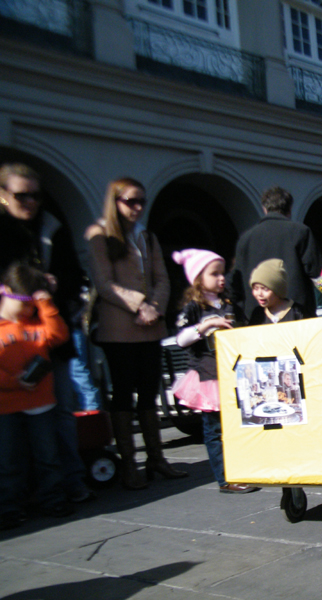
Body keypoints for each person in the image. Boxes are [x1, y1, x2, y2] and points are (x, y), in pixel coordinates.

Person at [0, 163, 94, 504]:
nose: (30, 201)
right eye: (21, 195)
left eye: (35, 195)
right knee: (11, 425)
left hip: (51, 335)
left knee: (61, 413)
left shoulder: (52, 225)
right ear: (3, 195)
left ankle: (67, 483)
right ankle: (17, 492)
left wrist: (57, 283)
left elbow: (74, 275)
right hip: (8, 340)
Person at [85, 177, 187, 489]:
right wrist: (139, 305)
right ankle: (131, 463)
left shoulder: (147, 237)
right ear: (115, 201)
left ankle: (156, 458)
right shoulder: (99, 234)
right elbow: (104, 282)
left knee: (149, 392)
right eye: (131, 201)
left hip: (150, 328)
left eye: (141, 200)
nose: (138, 207)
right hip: (119, 330)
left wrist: (154, 307)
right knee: (123, 396)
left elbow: (163, 278)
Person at [171, 249, 257, 494]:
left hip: (234, 375)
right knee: (215, 430)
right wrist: (205, 325)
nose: (221, 278)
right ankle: (225, 478)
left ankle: (243, 469)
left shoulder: (229, 305)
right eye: (214, 273)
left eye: (222, 273)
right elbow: (181, 339)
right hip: (209, 377)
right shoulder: (194, 308)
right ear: (198, 278)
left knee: (240, 426)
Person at [0, 264, 72, 530]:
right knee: (7, 460)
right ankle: (9, 507)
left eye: (34, 304)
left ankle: (52, 499)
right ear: (7, 292)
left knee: (47, 456)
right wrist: (11, 382)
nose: (31, 310)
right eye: (28, 304)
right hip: (5, 405)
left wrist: (46, 302)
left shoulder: (39, 321)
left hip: (40, 403)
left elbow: (59, 334)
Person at [228, 187, 321, 319]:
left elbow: (235, 282)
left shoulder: (246, 239)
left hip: (257, 318)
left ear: (264, 209)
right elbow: (316, 271)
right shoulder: (301, 232)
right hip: (296, 315)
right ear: (289, 209)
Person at [248, 259, 304, 325]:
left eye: (265, 289)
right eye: (256, 289)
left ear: (277, 289)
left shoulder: (296, 312)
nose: (259, 293)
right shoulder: (258, 314)